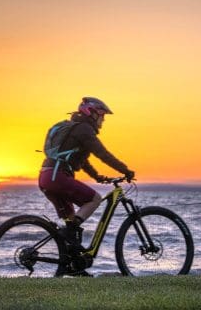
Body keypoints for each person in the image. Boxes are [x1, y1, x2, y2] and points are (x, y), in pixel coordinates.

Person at [38, 97, 135, 254]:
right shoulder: (84, 130)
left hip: (46, 177)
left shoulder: (75, 130)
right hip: (58, 176)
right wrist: (125, 170)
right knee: (94, 199)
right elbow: (102, 154)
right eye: (102, 116)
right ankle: (69, 233)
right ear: (92, 114)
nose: (103, 120)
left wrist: (97, 177)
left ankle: (73, 264)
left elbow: (82, 161)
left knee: (71, 225)